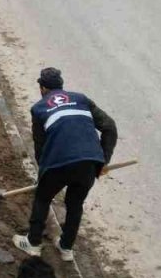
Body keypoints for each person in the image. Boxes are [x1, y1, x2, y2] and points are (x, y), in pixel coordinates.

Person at [13, 68, 117, 262]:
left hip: (59, 162)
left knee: (42, 198)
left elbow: (40, 146)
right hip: (89, 161)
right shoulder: (81, 99)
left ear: (42, 88)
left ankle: (33, 243)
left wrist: (43, 175)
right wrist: (104, 160)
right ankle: (66, 248)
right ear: (61, 85)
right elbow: (109, 126)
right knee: (75, 204)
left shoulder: (39, 108)